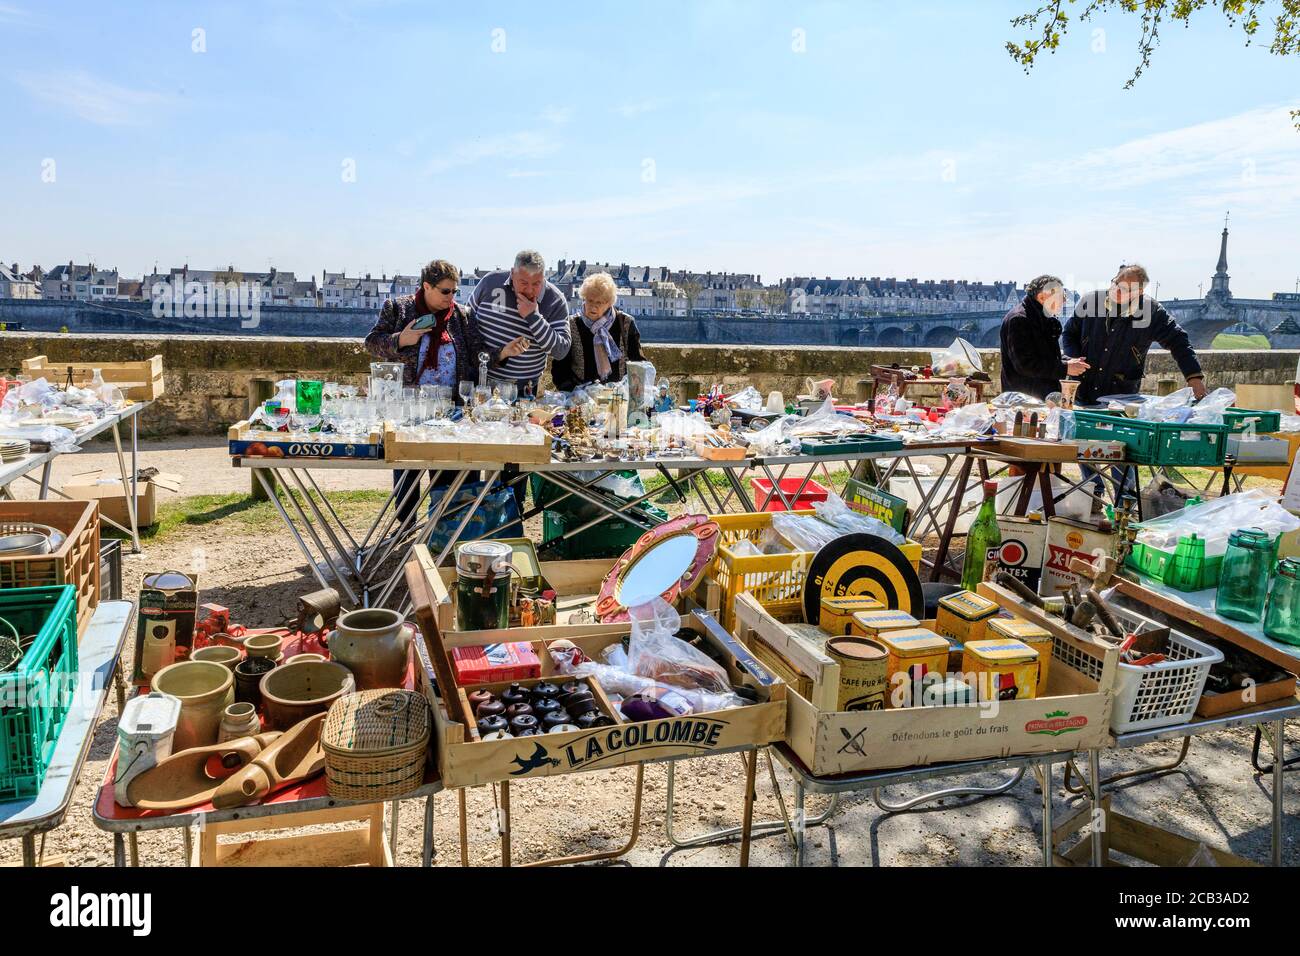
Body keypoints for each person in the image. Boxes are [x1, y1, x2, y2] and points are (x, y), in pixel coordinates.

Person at [364, 259, 496, 524]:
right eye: (446, 291)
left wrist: (502, 354)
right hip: (409, 408)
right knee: (407, 474)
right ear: (427, 286)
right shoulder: (398, 309)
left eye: (455, 291)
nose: (451, 297)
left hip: (450, 411)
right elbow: (372, 343)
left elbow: (478, 352)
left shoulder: (462, 315)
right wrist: (403, 339)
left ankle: (440, 530)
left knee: (447, 476)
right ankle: (405, 530)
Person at [1063, 264, 1206, 406]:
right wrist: (1074, 358)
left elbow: (1178, 341)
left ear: (1140, 292)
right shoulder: (1090, 301)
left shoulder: (1151, 311)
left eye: (1126, 289)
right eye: (1116, 282)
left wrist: (1193, 377)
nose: (1118, 290)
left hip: (1120, 397)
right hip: (1081, 392)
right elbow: (1069, 333)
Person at [470, 250, 571, 397]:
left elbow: (561, 351)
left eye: (536, 283)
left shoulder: (555, 299)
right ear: (512, 273)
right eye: (523, 282)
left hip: (523, 392)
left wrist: (533, 317)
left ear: (544, 277)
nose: (529, 290)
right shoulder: (490, 282)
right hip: (481, 385)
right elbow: (466, 324)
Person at [551, 271, 646, 392]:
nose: (593, 306)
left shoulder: (625, 323)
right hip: (582, 399)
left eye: (599, 302)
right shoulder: (572, 324)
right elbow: (560, 368)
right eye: (590, 300)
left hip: (618, 397)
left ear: (609, 303)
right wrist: (574, 393)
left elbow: (638, 362)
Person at [999, 274, 1089, 400]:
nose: (1064, 300)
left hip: (1037, 395)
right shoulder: (1019, 320)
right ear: (1042, 297)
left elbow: (1045, 355)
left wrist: (1070, 361)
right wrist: (1066, 367)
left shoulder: (1039, 317)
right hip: (1025, 398)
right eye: (1061, 296)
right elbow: (1025, 365)